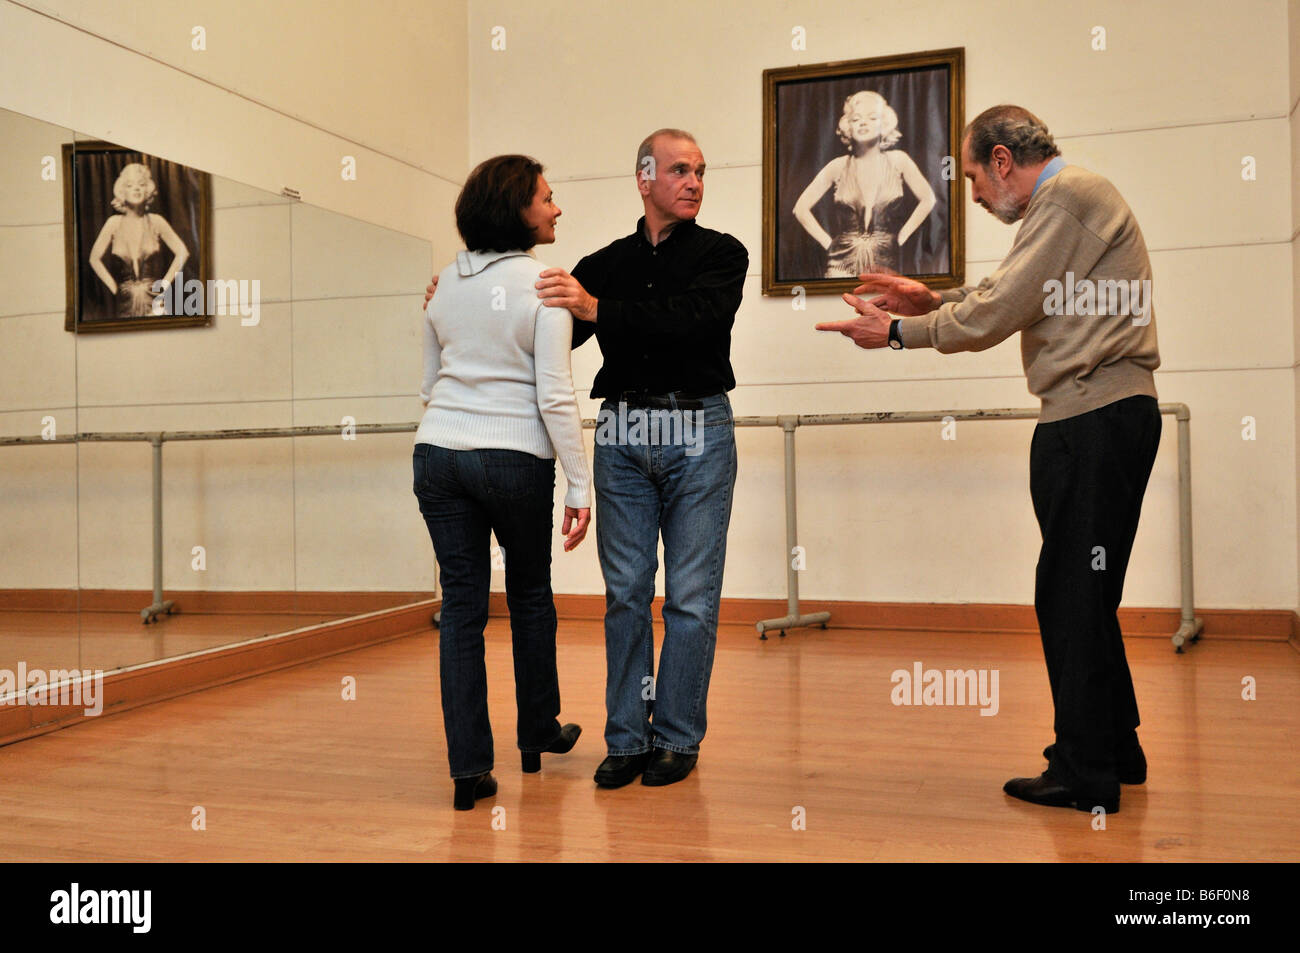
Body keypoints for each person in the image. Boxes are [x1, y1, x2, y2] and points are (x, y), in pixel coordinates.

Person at [818, 105, 1161, 815]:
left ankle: (1084, 768)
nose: (972, 191)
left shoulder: (1068, 196)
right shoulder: (1069, 203)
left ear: (1003, 160)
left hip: (1094, 417)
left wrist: (901, 332)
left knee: (1069, 591)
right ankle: (1112, 747)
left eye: (973, 174)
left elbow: (1002, 307)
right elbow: (1013, 293)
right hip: (1095, 415)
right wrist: (934, 299)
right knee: (1081, 591)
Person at [415, 154, 592, 811]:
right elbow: (554, 394)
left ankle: (469, 772)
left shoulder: (442, 284)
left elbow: (431, 387)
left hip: (437, 454)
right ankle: (537, 730)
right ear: (519, 209)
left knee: (462, 607)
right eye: (547, 198)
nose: (556, 208)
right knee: (529, 594)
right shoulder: (546, 285)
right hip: (513, 457)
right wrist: (581, 483)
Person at [792, 90, 935, 277]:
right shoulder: (838, 166)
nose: (863, 122)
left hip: (886, 260)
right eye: (856, 118)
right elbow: (800, 208)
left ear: (884, 124)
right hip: (840, 265)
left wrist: (901, 237)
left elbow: (928, 199)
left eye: (872, 117)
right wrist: (829, 244)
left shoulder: (899, 161)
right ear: (848, 126)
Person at [88, 163, 189, 318]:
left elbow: (183, 252)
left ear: (148, 190)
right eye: (130, 185)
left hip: (155, 304)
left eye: (141, 184)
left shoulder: (156, 221)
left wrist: (164, 284)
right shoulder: (113, 223)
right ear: (122, 192)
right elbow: (94, 259)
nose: (136, 188)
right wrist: (114, 288)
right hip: (124, 304)